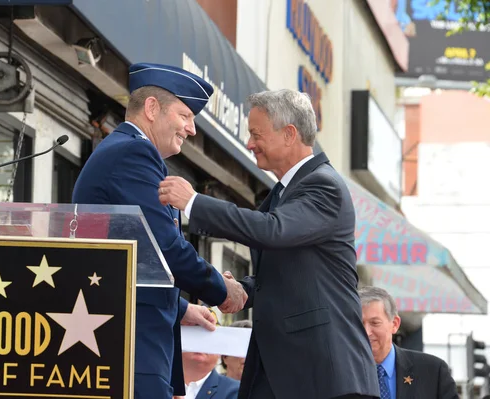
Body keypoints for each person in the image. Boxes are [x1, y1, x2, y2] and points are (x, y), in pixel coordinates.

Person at [158, 89, 379, 399]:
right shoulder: (284, 192)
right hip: (284, 370)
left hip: (322, 375)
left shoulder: (323, 185)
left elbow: (272, 231)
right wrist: (243, 290)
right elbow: (289, 272)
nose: (249, 144)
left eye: (256, 134)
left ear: (289, 134)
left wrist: (193, 202)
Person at [72, 62, 247, 399]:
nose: (191, 129)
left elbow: (134, 255)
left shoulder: (127, 152)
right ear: (152, 109)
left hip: (129, 340)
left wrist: (184, 309)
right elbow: (163, 245)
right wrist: (220, 289)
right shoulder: (133, 153)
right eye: (185, 115)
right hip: (129, 344)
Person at [359, 286, 458, 399]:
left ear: (395, 324)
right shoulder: (340, 375)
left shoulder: (433, 372)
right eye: (360, 324)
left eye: (375, 323)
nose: (366, 332)